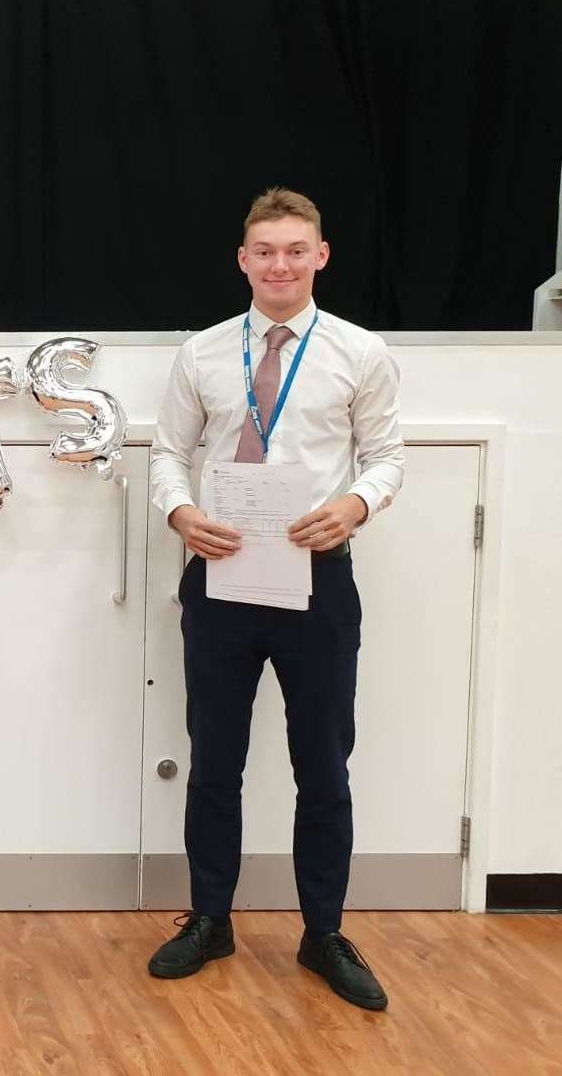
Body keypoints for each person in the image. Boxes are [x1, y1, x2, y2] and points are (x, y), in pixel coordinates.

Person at [147, 189, 405, 1011]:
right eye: (266, 251)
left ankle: (323, 931)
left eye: (296, 250)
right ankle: (211, 919)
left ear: (321, 256)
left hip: (317, 581)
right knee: (214, 761)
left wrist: (357, 504)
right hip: (221, 579)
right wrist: (181, 512)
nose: (281, 264)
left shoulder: (361, 353)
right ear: (244, 260)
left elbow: (388, 457)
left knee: (322, 767)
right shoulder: (204, 354)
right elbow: (167, 454)